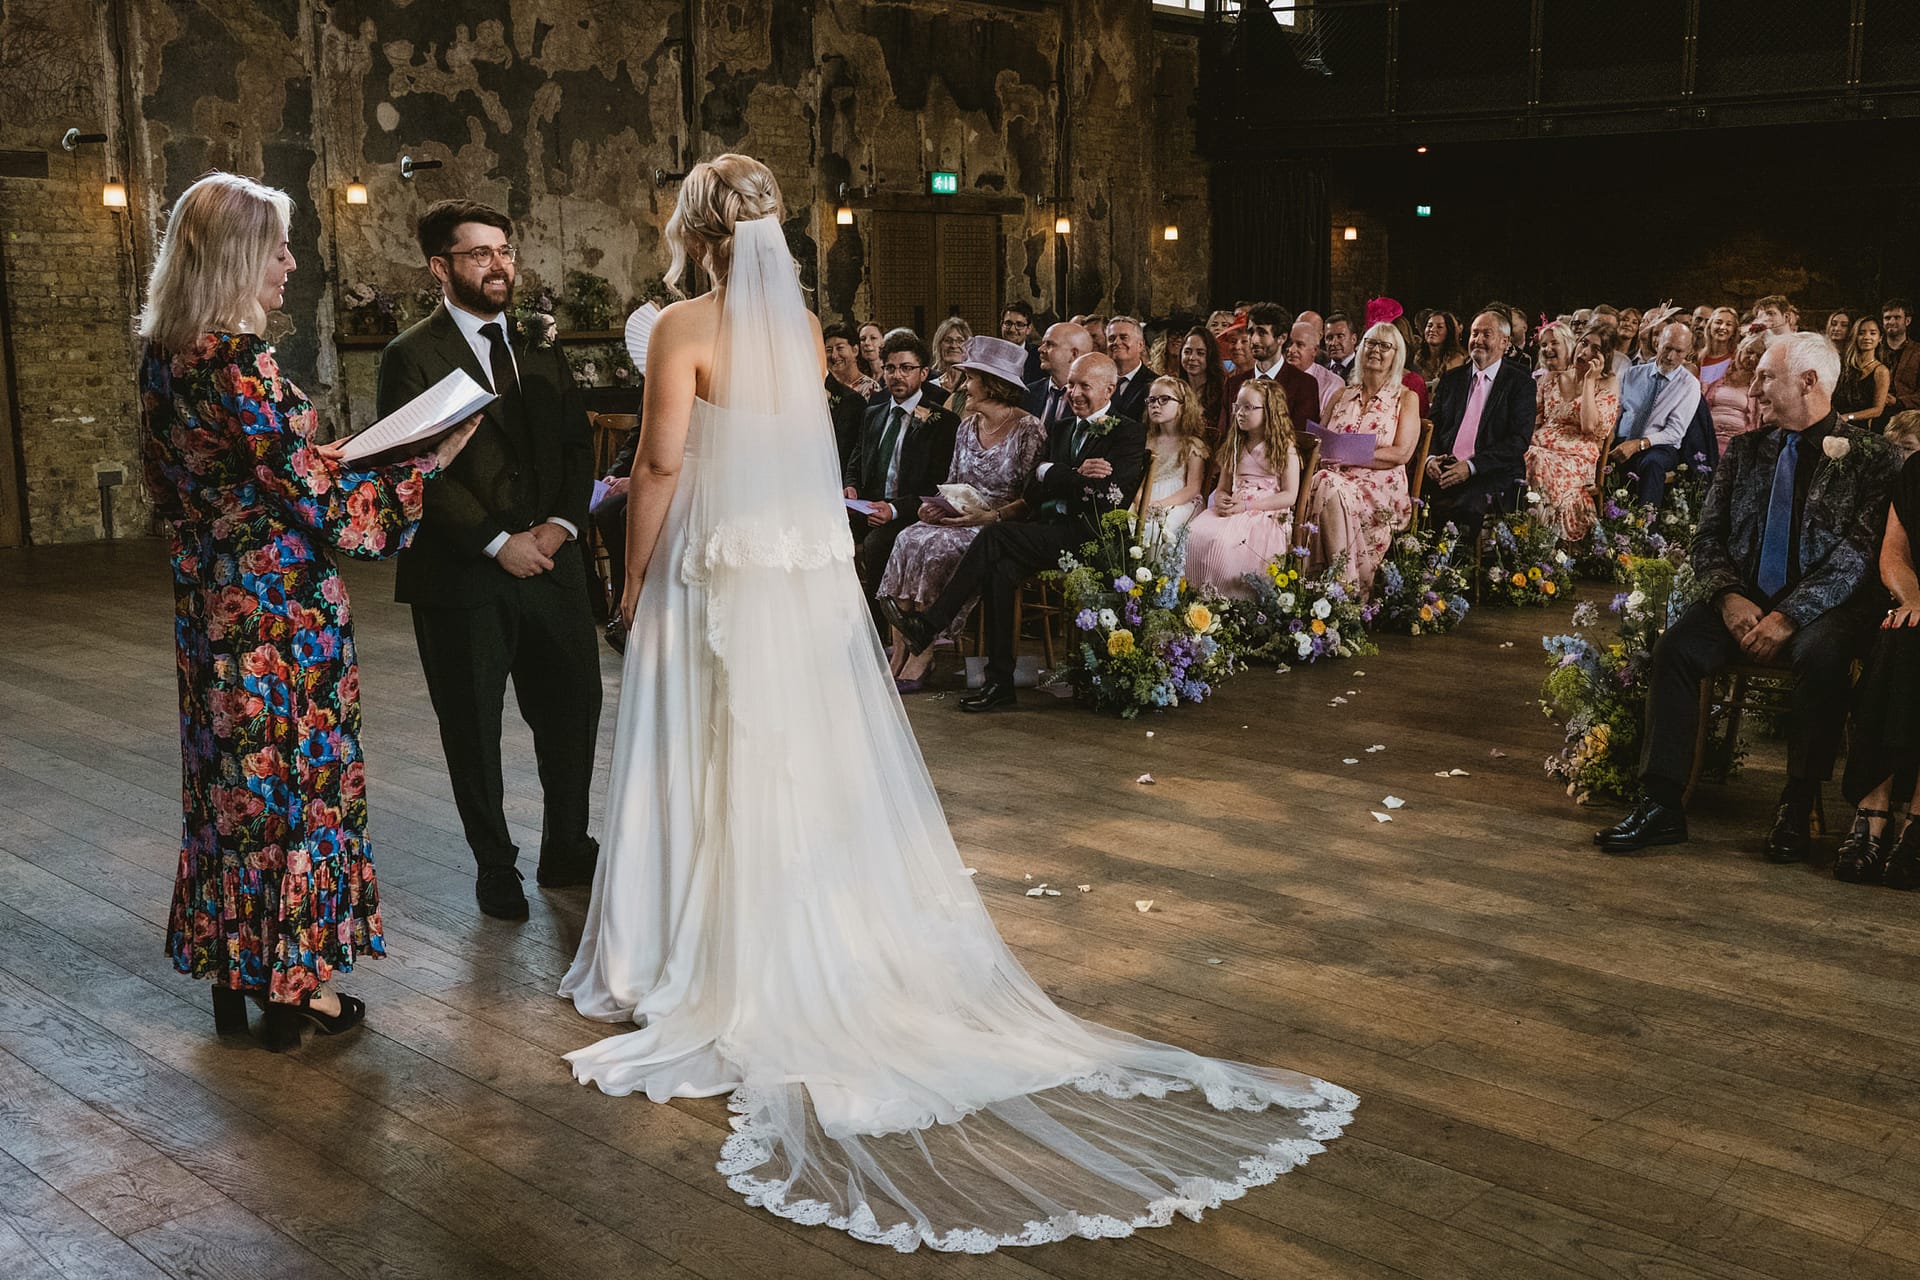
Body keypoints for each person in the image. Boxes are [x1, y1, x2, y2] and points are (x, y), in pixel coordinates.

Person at [562, 157, 1353, 1251]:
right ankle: (799, 920)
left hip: (712, 557)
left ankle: (691, 946)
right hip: (793, 566)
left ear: (694, 234)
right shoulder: (793, 327)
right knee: (795, 748)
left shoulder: (683, 328)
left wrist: (634, 576)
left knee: (707, 745)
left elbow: (656, 465)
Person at [139, 173, 479, 1047]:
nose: (292, 265)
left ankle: (235, 972)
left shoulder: (169, 354)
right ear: (240, 257)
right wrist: (426, 463)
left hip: (213, 608)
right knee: (297, 791)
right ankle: (297, 990)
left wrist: (320, 459)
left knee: (231, 793)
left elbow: (237, 474)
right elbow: (331, 513)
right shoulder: (237, 359)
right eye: (280, 249)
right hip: (279, 617)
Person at [377, 198, 601, 922]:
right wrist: (498, 542)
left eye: (504, 250)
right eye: (480, 253)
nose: (499, 264)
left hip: (553, 561)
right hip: (465, 570)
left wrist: (560, 529)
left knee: (573, 710)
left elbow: (575, 446)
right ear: (440, 267)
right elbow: (413, 466)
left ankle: (567, 845)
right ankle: (493, 865)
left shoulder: (540, 342)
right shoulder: (410, 354)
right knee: (472, 724)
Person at [1597, 333, 1895, 862]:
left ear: (1809, 383)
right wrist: (1728, 596)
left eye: (1766, 378)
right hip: (1744, 597)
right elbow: (1707, 535)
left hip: (1825, 606)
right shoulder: (1749, 450)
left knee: (1824, 661)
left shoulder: (1873, 458)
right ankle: (1662, 803)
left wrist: (1790, 615)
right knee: (1676, 649)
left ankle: (1797, 804)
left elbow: (1858, 556)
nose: (1753, 390)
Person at [889, 352, 1146, 713]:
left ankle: (930, 625)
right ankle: (999, 683)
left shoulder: (1127, 432)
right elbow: (1033, 488)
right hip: (1049, 532)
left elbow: (1106, 498)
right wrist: (1067, 474)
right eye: (1070, 384)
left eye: (1084, 385)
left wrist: (1055, 472)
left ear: (1110, 388)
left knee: (997, 537)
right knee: (1000, 569)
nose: (1074, 393)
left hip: (1091, 538)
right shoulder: (1061, 427)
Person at [878, 336, 1046, 691]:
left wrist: (987, 517)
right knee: (908, 537)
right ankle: (900, 652)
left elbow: (1031, 499)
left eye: (970, 378)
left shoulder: (1028, 429)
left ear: (992, 384)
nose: (962, 385)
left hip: (998, 524)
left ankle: (922, 653)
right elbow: (952, 481)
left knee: (937, 549)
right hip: (959, 517)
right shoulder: (967, 425)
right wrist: (933, 506)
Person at [1835, 446, 1920, 888]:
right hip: (1916, 604)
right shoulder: (1917, 470)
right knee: (1899, 635)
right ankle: (1877, 805)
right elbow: (1894, 556)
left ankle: (1912, 818)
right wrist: (1916, 600)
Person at [842, 330, 961, 622]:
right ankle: (838, 622)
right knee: (824, 530)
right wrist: (851, 486)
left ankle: (880, 632)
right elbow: (857, 457)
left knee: (876, 543)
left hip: (910, 512)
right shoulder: (874, 413)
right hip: (867, 506)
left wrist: (894, 510)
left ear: (922, 373)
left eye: (906, 368)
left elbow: (938, 484)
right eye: (891, 368)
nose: (897, 375)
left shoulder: (941, 421)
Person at [1300, 323, 1419, 595]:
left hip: (1378, 488)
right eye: (1370, 343)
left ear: (1396, 355)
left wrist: (1348, 457)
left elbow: (1402, 452)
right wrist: (1325, 455)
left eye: (1384, 346)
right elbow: (1319, 441)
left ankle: (1326, 587)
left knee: (1325, 486)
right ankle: (1347, 589)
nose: (1375, 350)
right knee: (1325, 483)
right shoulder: (1342, 395)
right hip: (1332, 480)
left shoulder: (1405, 398)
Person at [1184, 377, 1299, 599]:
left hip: (1264, 510)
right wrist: (1219, 499)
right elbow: (1223, 487)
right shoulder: (1235, 444)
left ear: (1269, 411)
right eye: (1238, 407)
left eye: (1249, 408)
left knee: (1224, 543)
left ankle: (1228, 601)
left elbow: (1289, 495)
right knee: (1194, 533)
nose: (1240, 413)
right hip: (1233, 506)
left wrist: (1247, 505)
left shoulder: (1285, 448)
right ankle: (1198, 597)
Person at [1424, 310, 1537, 527]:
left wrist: (1471, 466)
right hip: (1445, 467)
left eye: (1487, 334)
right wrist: (1430, 459)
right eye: (1475, 333)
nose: (1478, 340)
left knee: (1463, 510)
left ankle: (1457, 561)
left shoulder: (1520, 383)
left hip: (1490, 471)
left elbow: (1518, 440)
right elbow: (1432, 426)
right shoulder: (1452, 379)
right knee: (1407, 495)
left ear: (1505, 342)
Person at [1524, 322, 1621, 541]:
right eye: (1584, 343)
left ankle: (1539, 538)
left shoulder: (1607, 383)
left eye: (1595, 349)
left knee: (1536, 459)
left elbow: (1588, 426)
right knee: (1524, 455)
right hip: (1541, 447)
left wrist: (1589, 381)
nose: (1585, 352)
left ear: (1603, 356)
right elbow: (1533, 420)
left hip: (1577, 456)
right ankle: (1517, 532)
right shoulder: (1552, 378)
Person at [1608, 320, 1702, 507]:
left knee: (1652, 464)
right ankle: (1604, 521)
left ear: (1688, 353)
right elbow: (1615, 412)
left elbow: (1674, 433)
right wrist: (1609, 437)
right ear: (1657, 343)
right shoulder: (1632, 374)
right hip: (1623, 439)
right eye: (1667, 348)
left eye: (1679, 351)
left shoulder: (1689, 385)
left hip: (1658, 446)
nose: (1670, 356)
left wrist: (1637, 445)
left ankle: (1645, 526)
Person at [1219, 303, 1321, 445]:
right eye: (1251, 332)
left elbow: (1302, 441)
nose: (1253, 340)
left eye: (1261, 333)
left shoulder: (1304, 385)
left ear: (1282, 338)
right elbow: (1225, 438)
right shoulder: (1234, 384)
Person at [1139, 374, 1210, 544]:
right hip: (1145, 497)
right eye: (1152, 400)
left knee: (1159, 529)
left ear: (1182, 405)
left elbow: (1193, 488)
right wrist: (1142, 503)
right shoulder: (1146, 441)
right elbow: (1138, 481)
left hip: (1179, 500)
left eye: (1164, 399)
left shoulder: (1192, 444)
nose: (1156, 405)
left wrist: (1161, 504)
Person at [1703, 330, 1765, 453]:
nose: (1752, 358)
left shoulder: (1760, 385)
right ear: (1740, 350)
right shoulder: (1719, 372)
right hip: (1708, 435)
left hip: (1738, 442)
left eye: (1758, 356)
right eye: (1749, 352)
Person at [1022, 320, 1092, 430]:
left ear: (1073, 354)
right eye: (1042, 343)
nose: (1040, 349)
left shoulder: (1094, 398)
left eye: (1050, 344)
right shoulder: (1028, 393)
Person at [822, 321, 874, 469]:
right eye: (828, 349)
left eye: (840, 348)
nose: (834, 355)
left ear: (855, 350)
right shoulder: (822, 389)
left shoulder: (871, 388)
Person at [1835, 315, 1892, 431]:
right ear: (1855, 336)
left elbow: (1877, 410)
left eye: (1872, 333)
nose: (1867, 337)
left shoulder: (1881, 371)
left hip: (1858, 430)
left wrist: (1848, 417)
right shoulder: (1844, 365)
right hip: (1834, 424)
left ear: (1880, 338)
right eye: (1861, 333)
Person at [1287, 319, 1344, 422]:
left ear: (1315, 350)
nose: (1291, 350)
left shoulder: (1332, 384)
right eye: (1289, 343)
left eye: (1300, 345)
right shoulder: (1275, 376)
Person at [1172, 323, 1226, 426]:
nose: (1192, 358)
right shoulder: (1173, 389)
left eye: (1200, 353)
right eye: (1187, 352)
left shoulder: (1222, 391)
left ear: (1210, 357)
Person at [1105, 315, 1154, 420]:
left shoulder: (1154, 383)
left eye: (1123, 337)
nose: (1116, 343)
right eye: (1111, 338)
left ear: (1140, 345)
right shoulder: (1098, 381)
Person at [1883, 298, 1920, 415]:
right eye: (1887, 318)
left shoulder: (1917, 352)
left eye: (1897, 317)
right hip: (1874, 414)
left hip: (1907, 416)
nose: (1891, 322)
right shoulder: (1873, 349)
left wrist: (1897, 401)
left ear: (1907, 321)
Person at [929, 315, 973, 412]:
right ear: (939, 346)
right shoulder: (929, 386)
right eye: (948, 341)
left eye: (960, 341)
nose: (953, 345)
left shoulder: (973, 385)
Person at [1416, 309, 1466, 384]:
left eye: (1439, 327)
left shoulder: (1456, 359)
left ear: (1449, 332)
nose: (1432, 329)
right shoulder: (1418, 357)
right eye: (1429, 325)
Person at [1697, 307, 1739, 386]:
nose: (1722, 327)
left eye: (1728, 324)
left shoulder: (1737, 360)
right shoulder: (1698, 358)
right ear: (1709, 327)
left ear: (1734, 331)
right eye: (1718, 322)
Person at [1323, 311, 1357, 381]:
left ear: (1353, 339)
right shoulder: (1320, 372)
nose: (1333, 343)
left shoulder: (1364, 370)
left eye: (1340, 336)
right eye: (1329, 338)